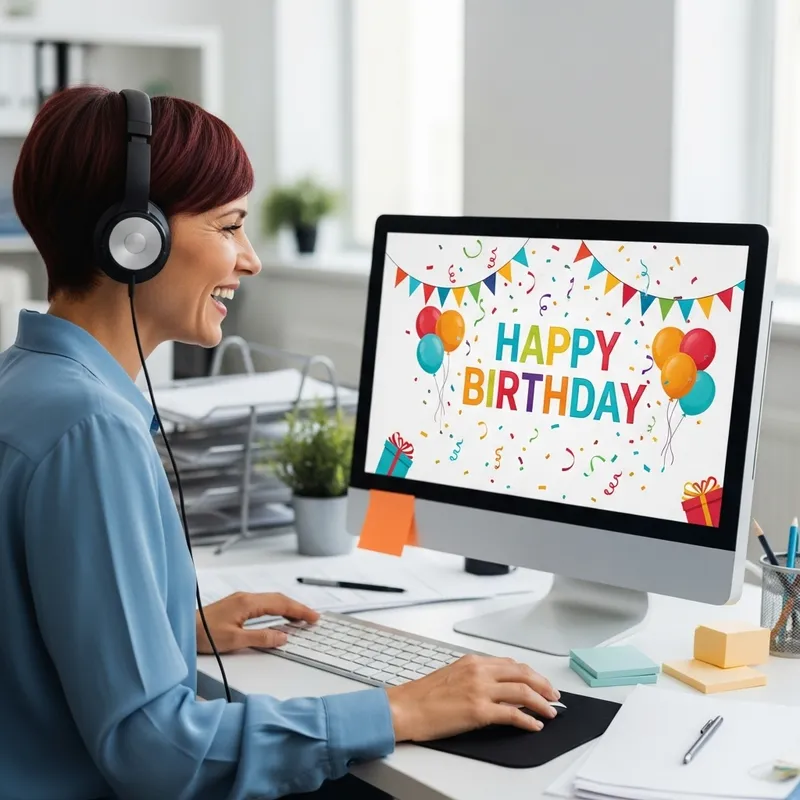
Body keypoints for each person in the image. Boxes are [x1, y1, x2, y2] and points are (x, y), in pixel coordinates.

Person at [0, 86, 559, 800]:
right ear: (136, 239)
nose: (251, 259)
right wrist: (402, 708)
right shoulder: (92, 432)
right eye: (229, 226)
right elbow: (156, 750)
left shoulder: (27, 386)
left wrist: (170, 625)